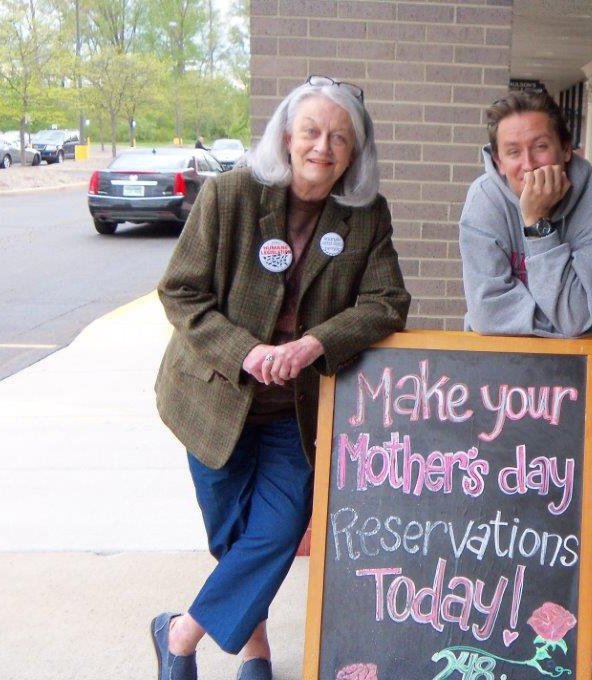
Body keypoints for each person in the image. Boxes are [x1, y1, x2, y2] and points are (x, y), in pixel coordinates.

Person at [151, 75, 411, 680]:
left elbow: (387, 302)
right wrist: (245, 352)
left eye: (340, 137)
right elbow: (180, 291)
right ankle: (255, 650)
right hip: (213, 399)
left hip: (294, 411)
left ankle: (179, 633)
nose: (323, 146)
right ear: (287, 135)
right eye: (311, 131)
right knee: (234, 537)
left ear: (355, 151)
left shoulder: (365, 215)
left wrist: (316, 343)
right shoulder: (231, 195)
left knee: (279, 529)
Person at [458, 91, 592, 680]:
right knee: (497, 511)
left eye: (540, 146)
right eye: (513, 151)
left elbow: (572, 311)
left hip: (573, 384)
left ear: (567, 149)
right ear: (496, 157)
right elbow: (489, 314)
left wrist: (538, 226)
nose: (527, 163)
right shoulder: (485, 200)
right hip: (498, 383)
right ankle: (495, 635)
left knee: (587, 510)